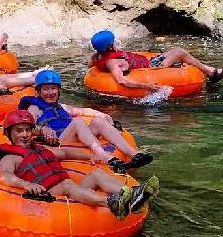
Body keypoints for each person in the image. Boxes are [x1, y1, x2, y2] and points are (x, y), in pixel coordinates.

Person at [0, 110, 159, 219]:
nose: (24, 135)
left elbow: (65, 153)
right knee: (68, 186)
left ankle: (134, 195)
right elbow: (5, 176)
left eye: (27, 130)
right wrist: (27, 184)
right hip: (51, 194)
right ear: (9, 133)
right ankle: (111, 203)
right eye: (19, 131)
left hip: (67, 187)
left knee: (96, 174)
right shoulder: (10, 157)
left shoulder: (40, 148)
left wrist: (89, 157)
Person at [17, 69, 153, 171]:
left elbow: (82, 111)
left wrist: (104, 115)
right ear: (38, 92)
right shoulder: (35, 107)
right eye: (45, 89)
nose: (50, 92)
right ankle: (104, 156)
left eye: (53, 88)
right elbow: (26, 127)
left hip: (73, 138)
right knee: (78, 122)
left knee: (98, 121)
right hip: (58, 143)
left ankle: (134, 154)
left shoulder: (62, 107)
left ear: (59, 90)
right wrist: (42, 130)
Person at [89, 30, 223, 93]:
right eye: (112, 42)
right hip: (153, 67)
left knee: (175, 53)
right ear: (109, 46)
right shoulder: (112, 63)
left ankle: (210, 71)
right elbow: (121, 81)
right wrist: (147, 86)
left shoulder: (97, 56)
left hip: (147, 61)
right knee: (180, 51)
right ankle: (211, 72)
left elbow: (92, 65)